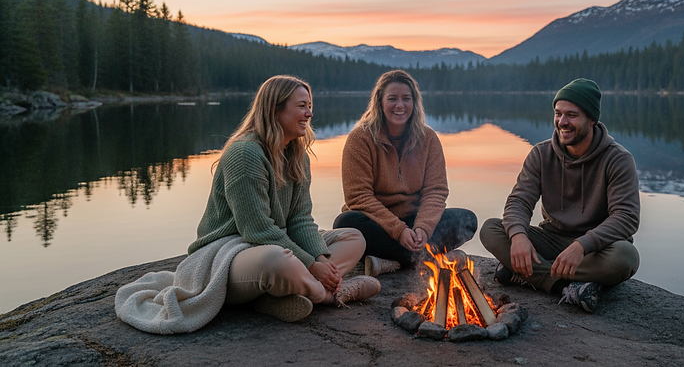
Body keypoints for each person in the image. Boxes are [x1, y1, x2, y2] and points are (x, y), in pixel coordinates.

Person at [189, 75, 380, 322]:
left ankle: (279, 296)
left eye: (310, 106)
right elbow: (257, 231)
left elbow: (300, 220)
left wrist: (321, 259)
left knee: (353, 237)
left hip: (277, 245)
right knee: (276, 260)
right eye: (302, 106)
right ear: (274, 110)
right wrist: (312, 265)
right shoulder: (245, 154)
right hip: (228, 255)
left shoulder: (298, 156)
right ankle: (331, 295)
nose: (309, 113)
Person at [480, 78, 640, 313]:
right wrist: (518, 236)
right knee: (491, 229)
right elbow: (519, 200)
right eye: (558, 113)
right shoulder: (541, 154)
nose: (562, 122)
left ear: (592, 119)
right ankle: (565, 287)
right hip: (551, 240)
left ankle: (524, 274)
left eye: (572, 115)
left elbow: (626, 217)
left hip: (595, 249)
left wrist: (582, 245)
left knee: (626, 257)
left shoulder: (618, 159)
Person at [334, 70, 477, 276]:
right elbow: (358, 197)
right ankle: (422, 257)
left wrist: (423, 229)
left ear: (414, 103)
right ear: (380, 102)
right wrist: (399, 231)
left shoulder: (428, 138)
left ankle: (394, 260)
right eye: (392, 99)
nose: (399, 105)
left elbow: (435, 192)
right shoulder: (360, 138)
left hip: (415, 220)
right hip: (377, 224)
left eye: (406, 99)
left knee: (467, 221)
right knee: (345, 223)